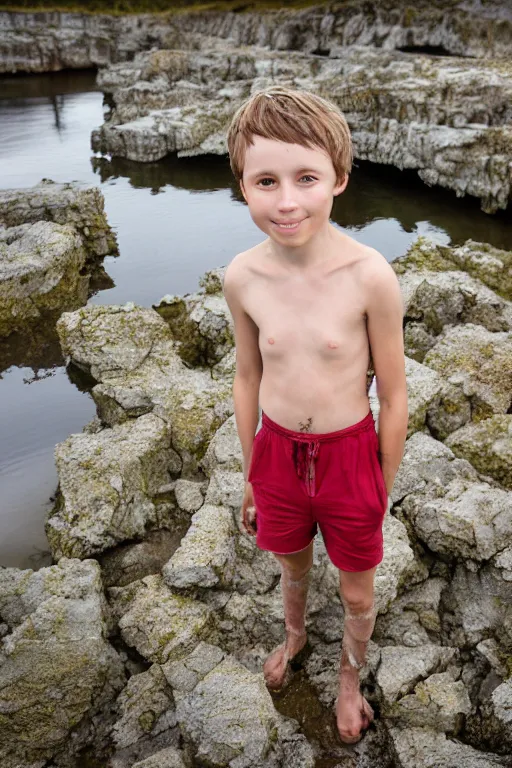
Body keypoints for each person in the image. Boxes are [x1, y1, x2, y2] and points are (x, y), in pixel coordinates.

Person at [222, 85, 408, 745]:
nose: (287, 200)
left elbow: (393, 392)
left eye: (306, 178)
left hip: (349, 454)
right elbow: (248, 376)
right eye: (265, 181)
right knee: (292, 565)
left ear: (340, 178)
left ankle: (350, 678)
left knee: (358, 592)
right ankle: (295, 635)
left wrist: (381, 482)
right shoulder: (242, 277)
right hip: (275, 453)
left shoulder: (369, 276)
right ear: (242, 185)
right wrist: (249, 473)